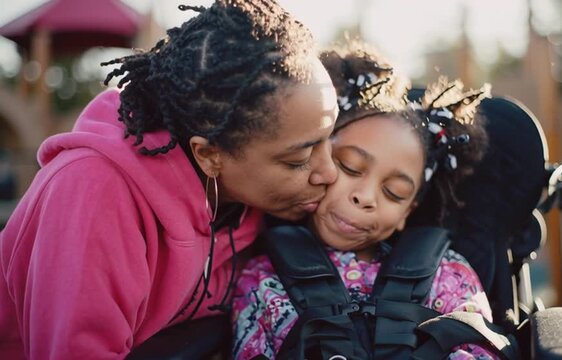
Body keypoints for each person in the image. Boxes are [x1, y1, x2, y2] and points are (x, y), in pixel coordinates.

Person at [0, 1, 339, 358]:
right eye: (299, 160)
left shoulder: (248, 197)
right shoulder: (94, 191)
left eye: (330, 142)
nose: (329, 173)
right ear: (209, 156)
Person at [231, 41, 496, 359]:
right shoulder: (263, 279)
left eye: (393, 193)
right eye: (349, 167)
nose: (365, 197)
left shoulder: (449, 275)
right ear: (318, 160)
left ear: (407, 212)